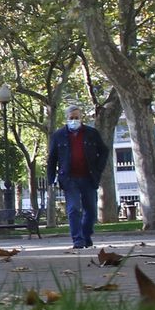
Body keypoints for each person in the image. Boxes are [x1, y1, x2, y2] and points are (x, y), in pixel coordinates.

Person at [45, 104, 109, 249]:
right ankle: (78, 240)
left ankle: (86, 236)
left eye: (77, 117)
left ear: (81, 118)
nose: (74, 120)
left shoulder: (92, 133)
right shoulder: (58, 136)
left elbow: (104, 151)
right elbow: (52, 159)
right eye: (71, 118)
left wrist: (98, 168)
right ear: (66, 118)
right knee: (73, 209)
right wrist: (51, 179)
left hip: (88, 177)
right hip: (69, 179)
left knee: (91, 211)